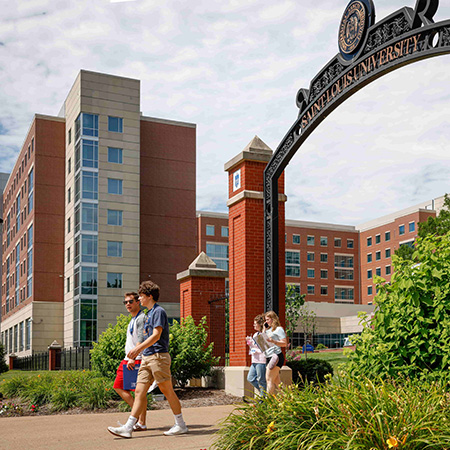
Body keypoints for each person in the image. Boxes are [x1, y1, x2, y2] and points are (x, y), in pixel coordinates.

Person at [108, 281, 188, 439]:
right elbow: (145, 336)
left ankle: (180, 424)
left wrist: (138, 348)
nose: (139, 299)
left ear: (149, 296)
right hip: (146, 358)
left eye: (141, 296)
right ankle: (129, 427)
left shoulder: (158, 312)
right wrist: (140, 353)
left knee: (167, 390)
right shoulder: (149, 314)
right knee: (139, 392)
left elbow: (156, 335)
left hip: (158, 357)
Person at [112, 292, 147, 431]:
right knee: (118, 386)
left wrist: (133, 357)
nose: (128, 304)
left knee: (139, 393)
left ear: (138, 302)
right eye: (125, 302)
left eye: (130, 301)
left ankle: (140, 422)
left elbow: (141, 339)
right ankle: (138, 418)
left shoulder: (141, 318)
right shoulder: (133, 319)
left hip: (136, 359)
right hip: (129, 358)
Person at [264, 311, 287, 395]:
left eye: (267, 319)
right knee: (277, 382)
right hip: (269, 356)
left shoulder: (279, 329)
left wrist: (274, 341)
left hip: (276, 356)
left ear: (273, 319)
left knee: (269, 380)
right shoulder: (268, 330)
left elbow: (284, 343)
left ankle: (267, 403)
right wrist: (264, 329)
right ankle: (288, 400)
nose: (266, 322)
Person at [246, 315, 267, 397]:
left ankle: (263, 400)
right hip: (254, 360)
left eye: (255, 324)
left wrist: (255, 350)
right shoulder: (255, 334)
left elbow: (264, 349)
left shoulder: (264, 334)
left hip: (261, 360)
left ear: (260, 324)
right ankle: (263, 393)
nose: (253, 325)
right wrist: (250, 343)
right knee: (250, 378)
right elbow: (253, 347)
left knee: (262, 381)